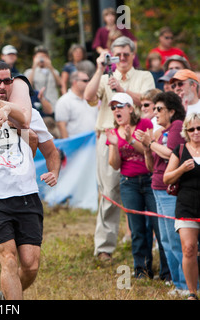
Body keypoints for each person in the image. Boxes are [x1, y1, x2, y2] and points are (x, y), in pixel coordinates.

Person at [0, 62, 57, 300]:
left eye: (7, 81)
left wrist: (53, 172)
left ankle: (5, 297)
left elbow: (51, 152)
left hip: (25, 194)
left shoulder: (30, 115)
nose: (2, 85)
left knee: (30, 265)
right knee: (8, 258)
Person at [84, 36, 156, 261]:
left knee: (148, 190)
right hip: (110, 136)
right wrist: (99, 69)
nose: (123, 58)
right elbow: (88, 98)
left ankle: (151, 243)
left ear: (133, 55)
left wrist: (122, 89)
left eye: (126, 54)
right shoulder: (106, 76)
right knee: (109, 192)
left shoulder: (144, 76)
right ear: (112, 57)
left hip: (141, 135)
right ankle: (104, 247)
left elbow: (149, 100)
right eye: (118, 55)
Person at [105, 92, 168, 279]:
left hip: (150, 180)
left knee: (159, 226)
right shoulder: (113, 132)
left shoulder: (144, 125)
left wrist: (131, 139)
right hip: (128, 183)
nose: (116, 110)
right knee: (137, 229)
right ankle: (142, 270)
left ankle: (167, 272)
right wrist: (115, 145)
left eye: (120, 106)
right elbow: (115, 164)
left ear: (130, 109)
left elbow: (149, 149)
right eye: (113, 107)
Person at [135, 91, 188, 295]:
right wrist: (148, 148)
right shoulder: (162, 131)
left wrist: (151, 143)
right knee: (165, 240)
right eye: (154, 108)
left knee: (174, 240)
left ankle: (185, 285)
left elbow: (174, 153)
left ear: (172, 111)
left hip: (168, 190)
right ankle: (177, 284)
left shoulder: (176, 126)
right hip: (157, 186)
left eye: (159, 109)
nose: (155, 113)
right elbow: (151, 166)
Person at [163, 112, 200, 300]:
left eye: (199, 128)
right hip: (186, 206)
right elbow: (166, 178)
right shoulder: (179, 150)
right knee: (189, 248)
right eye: (191, 129)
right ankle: (192, 292)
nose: (196, 132)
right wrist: (182, 169)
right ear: (186, 131)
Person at [55, 70, 97, 138]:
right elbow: (61, 126)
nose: (89, 83)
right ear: (75, 82)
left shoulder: (91, 99)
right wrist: (68, 146)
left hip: (93, 144)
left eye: (89, 80)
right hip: (75, 145)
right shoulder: (64, 101)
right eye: (85, 80)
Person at [24, 46, 61, 116]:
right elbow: (27, 86)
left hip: (53, 105)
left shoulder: (54, 71)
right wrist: (34, 67)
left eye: (44, 57)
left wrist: (51, 67)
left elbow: (60, 84)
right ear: (34, 58)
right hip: (37, 106)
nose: (41, 59)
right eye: (39, 57)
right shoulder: (29, 72)